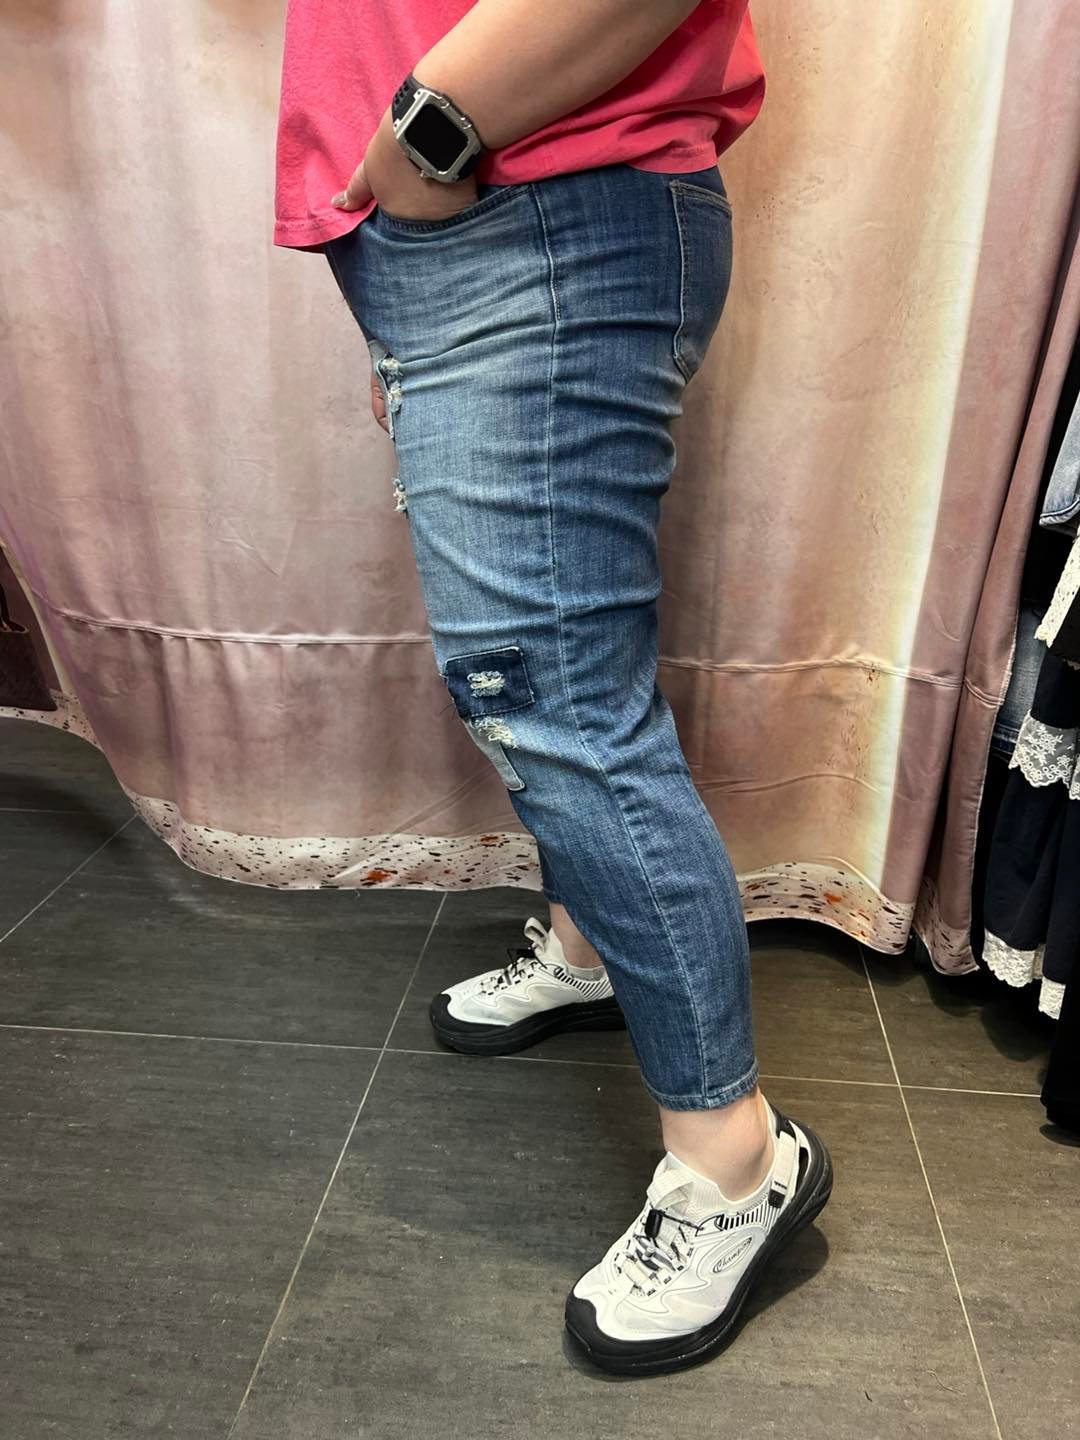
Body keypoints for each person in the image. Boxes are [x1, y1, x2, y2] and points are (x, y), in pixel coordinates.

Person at [274, 0, 832, 1377]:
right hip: (479, 222)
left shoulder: (468, 156)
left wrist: (426, 141)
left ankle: (737, 1161)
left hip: (529, 198)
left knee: (554, 703)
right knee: (559, 677)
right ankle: (589, 948)